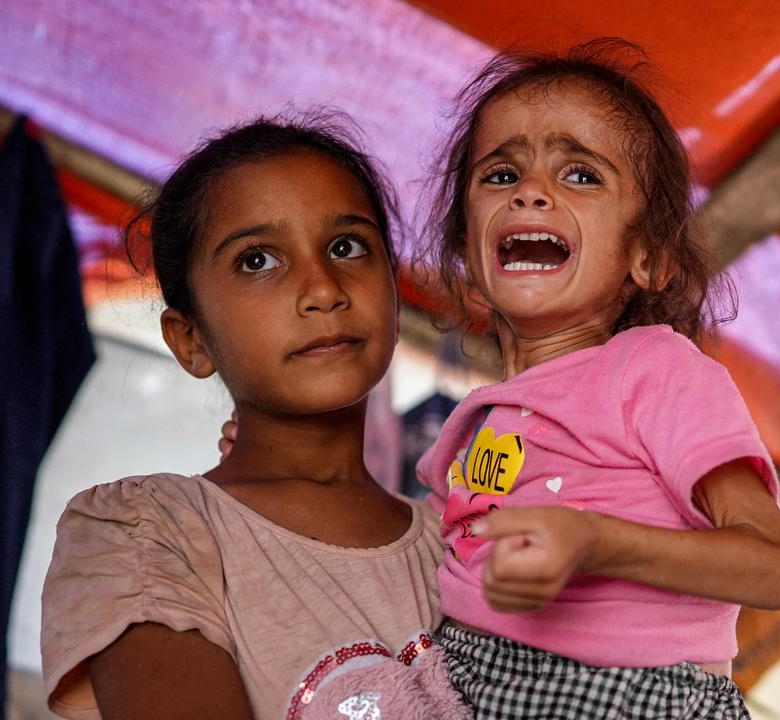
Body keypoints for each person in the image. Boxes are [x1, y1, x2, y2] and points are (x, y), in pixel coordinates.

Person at [411, 39, 780, 719]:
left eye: (581, 175)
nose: (531, 190)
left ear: (648, 259)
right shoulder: (482, 415)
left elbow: (777, 567)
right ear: (468, 256)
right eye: (500, 175)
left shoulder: (652, 370)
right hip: (470, 683)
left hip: (629, 698)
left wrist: (596, 542)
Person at [39, 115, 469, 720]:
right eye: (258, 260)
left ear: (396, 295)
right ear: (192, 340)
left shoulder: (467, 545)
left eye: (347, 247)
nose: (322, 287)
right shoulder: (151, 534)